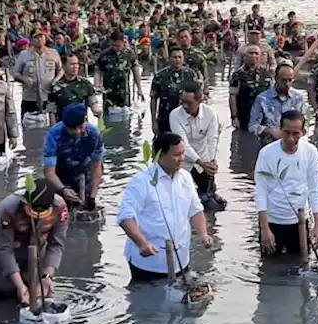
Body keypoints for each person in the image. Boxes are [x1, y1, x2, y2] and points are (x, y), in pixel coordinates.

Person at [117, 132, 214, 282]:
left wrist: (203, 235)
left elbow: (195, 209)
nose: (181, 158)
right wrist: (141, 243)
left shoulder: (185, 177)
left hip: (181, 260)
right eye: (176, 154)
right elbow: (125, 217)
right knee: (147, 303)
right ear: (160, 155)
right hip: (149, 263)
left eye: (183, 153)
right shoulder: (142, 181)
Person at [0, 178, 70, 305]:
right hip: (3, 275)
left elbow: (56, 244)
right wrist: (20, 286)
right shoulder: (7, 210)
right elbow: (4, 249)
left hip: (37, 273)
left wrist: (47, 276)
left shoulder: (59, 208)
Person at [254, 110, 318, 257]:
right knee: (268, 269)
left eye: (296, 133)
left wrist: (317, 226)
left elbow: (314, 190)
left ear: (303, 132)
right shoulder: (266, 154)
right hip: (273, 221)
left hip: (299, 222)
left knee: (301, 266)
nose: (291, 138)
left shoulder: (310, 152)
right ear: (280, 130)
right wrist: (265, 229)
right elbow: (260, 192)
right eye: (286, 133)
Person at [169, 86, 225, 210]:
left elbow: (213, 139)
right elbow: (183, 143)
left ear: (200, 101)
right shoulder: (175, 115)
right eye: (182, 102)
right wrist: (200, 162)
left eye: (189, 103)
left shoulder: (210, 113)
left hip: (204, 159)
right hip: (182, 161)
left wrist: (212, 162)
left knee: (208, 201)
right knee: (180, 200)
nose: (184, 106)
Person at [43, 103, 104, 209]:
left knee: (87, 207)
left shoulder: (94, 135)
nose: (77, 131)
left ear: (85, 121)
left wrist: (93, 197)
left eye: (80, 127)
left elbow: (97, 167)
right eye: (72, 129)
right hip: (60, 174)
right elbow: (49, 172)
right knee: (60, 208)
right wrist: (63, 190)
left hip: (85, 172)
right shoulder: (54, 135)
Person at [248, 61, 308, 144]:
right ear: (276, 78)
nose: (287, 84)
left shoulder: (298, 98)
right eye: (283, 80)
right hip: (270, 144)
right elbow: (252, 126)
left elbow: (305, 125)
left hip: (293, 144)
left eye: (290, 80)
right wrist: (270, 131)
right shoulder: (262, 99)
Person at [150, 46, 199, 134]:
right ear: (169, 59)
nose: (177, 60)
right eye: (175, 57)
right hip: (165, 118)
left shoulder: (191, 74)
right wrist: (153, 121)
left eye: (180, 57)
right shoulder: (160, 76)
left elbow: (198, 97)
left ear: (183, 59)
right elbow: (153, 99)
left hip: (186, 118)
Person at [14, 31, 65, 116]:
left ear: (45, 39)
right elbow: (15, 74)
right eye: (36, 37)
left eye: (41, 37)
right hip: (30, 97)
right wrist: (24, 79)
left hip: (49, 96)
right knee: (29, 123)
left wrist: (56, 80)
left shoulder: (53, 53)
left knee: (51, 123)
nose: (39, 39)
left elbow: (61, 70)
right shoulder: (24, 54)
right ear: (31, 40)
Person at [93, 31, 141, 110]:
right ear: (110, 42)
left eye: (118, 45)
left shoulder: (129, 54)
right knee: (108, 115)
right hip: (108, 93)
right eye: (113, 45)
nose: (116, 48)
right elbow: (98, 71)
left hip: (124, 93)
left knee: (126, 115)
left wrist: (139, 89)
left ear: (123, 42)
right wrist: (97, 86)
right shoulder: (104, 55)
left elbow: (136, 71)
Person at [228, 44, 272, 130]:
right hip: (244, 117)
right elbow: (232, 97)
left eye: (256, 53)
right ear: (244, 57)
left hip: (263, 118)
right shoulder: (237, 75)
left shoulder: (266, 74)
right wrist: (234, 117)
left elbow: (272, 95)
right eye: (250, 53)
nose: (254, 56)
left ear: (260, 57)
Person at [53, 53, 98, 118]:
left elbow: (93, 104)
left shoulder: (86, 84)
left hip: (82, 124)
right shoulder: (56, 86)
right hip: (64, 123)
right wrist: (54, 127)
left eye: (76, 64)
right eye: (72, 64)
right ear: (64, 66)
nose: (75, 67)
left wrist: (97, 111)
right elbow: (52, 111)